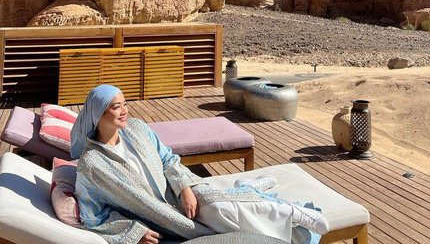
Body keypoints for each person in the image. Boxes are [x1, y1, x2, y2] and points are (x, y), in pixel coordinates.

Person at [71, 84, 330, 244]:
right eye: (117, 107)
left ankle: (288, 211)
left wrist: (184, 187)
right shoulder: (93, 165)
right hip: (163, 214)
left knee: (219, 208)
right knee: (218, 220)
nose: (125, 111)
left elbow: (167, 159)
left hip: (179, 191)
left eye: (125, 104)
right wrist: (132, 231)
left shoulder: (137, 128)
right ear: (99, 113)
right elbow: (93, 215)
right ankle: (268, 206)